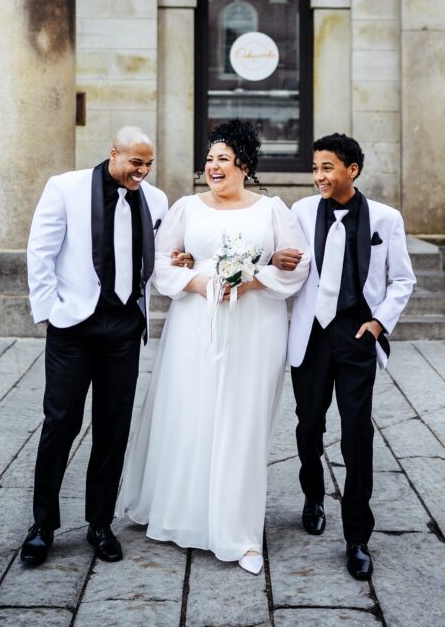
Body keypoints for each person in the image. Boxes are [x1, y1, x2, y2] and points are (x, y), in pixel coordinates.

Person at [117, 119, 310, 575]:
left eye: (222, 158)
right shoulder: (186, 208)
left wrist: (252, 279)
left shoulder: (273, 211)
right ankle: (185, 513)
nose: (213, 166)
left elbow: (296, 266)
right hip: (195, 322)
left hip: (255, 324)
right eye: (209, 159)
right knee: (193, 412)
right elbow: (162, 263)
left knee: (242, 420)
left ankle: (238, 531)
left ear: (243, 163)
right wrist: (202, 281)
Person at [20, 126, 168, 567]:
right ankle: (42, 526)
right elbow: (40, 250)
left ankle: (99, 524)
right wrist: (49, 310)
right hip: (73, 326)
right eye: (134, 162)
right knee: (60, 423)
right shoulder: (65, 188)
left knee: (113, 426)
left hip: (124, 328)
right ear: (113, 153)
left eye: (148, 164)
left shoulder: (156, 200)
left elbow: (155, 257)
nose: (141, 172)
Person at [287, 133, 415, 580]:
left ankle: (357, 537)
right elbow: (287, 261)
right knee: (308, 424)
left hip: (358, 335)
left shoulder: (385, 218)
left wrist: (378, 324)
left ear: (351, 170)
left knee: (357, 434)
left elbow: (403, 279)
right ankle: (313, 495)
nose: (319, 176)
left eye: (327, 168)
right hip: (311, 336)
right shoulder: (301, 212)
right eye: (316, 168)